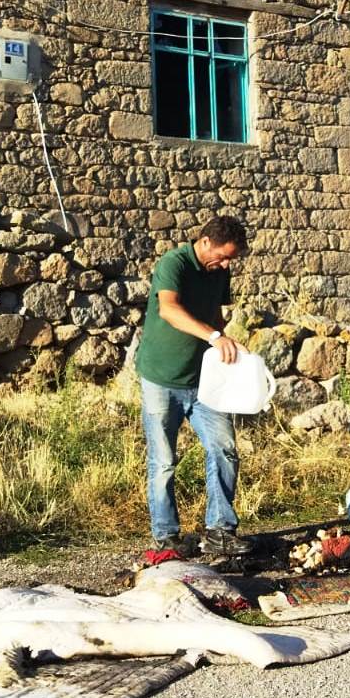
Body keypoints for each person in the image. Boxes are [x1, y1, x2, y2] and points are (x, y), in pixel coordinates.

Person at [135, 216, 251, 556]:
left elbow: (214, 311)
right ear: (205, 242)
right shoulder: (174, 263)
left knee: (224, 447)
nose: (228, 264)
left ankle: (220, 531)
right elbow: (169, 310)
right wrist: (214, 337)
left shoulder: (220, 270)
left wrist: (225, 338)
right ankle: (167, 537)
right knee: (164, 460)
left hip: (203, 382)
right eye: (224, 256)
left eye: (232, 259)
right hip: (161, 379)